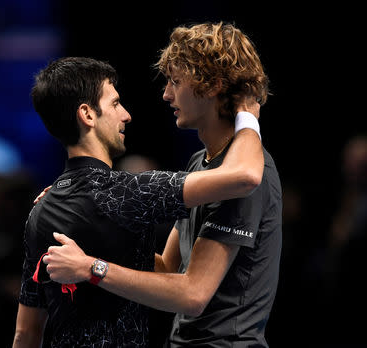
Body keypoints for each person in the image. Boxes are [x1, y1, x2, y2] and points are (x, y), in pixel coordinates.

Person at [42, 22, 282, 347]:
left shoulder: (248, 175)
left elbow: (194, 293)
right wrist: (85, 218)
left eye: (175, 81)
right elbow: (167, 267)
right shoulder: (201, 163)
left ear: (212, 85)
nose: (166, 93)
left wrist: (92, 268)